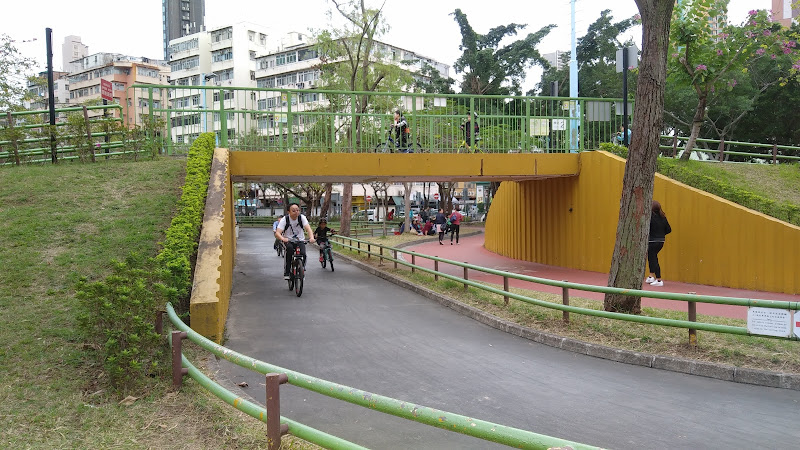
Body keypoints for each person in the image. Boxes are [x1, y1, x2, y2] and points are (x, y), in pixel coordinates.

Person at [274, 203, 316, 279]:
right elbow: (277, 233)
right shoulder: (285, 219)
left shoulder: (302, 218)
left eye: (298, 210)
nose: (296, 212)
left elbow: (308, 229)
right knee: (289, 251)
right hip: (288, 240)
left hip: (300, 240)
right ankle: (287, 272)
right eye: (293, 210)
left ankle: (301, 269)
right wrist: (283, 239)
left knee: (303, 253)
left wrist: (311, 237)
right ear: (288, 212)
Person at [646, 200, 672, 287]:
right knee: (652, 257)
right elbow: (669, 229)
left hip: (652, 241)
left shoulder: (649, 217)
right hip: (661, 241)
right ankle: (651, 276)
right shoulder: (663, 217)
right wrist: (661, 234)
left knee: (653, 258)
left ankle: (659, 279)